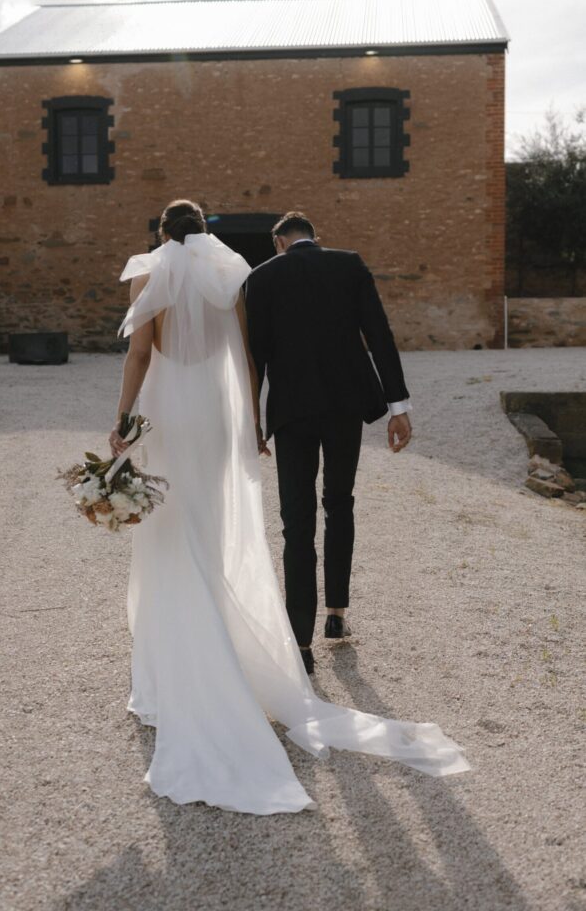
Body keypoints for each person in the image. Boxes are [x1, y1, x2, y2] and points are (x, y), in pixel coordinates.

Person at [109, 198, 469, 816]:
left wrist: (123, 422)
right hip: (245, 420)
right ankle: (293, 627)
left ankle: (233, 655)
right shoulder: (240, 275)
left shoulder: (181, 272)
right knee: (270, 519)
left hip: (187, 416)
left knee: (208, 528)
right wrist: (250, 422)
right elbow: (256, 356)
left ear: (162, 233)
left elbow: (149, 353)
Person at [245, 212, 412, 675]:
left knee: (296, 523)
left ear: (279, 241)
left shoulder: (260, 278)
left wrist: (252, 423)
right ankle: (336, 615)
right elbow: (379, 336)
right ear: (314, 237)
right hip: (345, 407)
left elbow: (254, 355)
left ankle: (300, 643)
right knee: (340, 503)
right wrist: (398, 408)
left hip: (292, 413)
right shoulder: (349, 264)